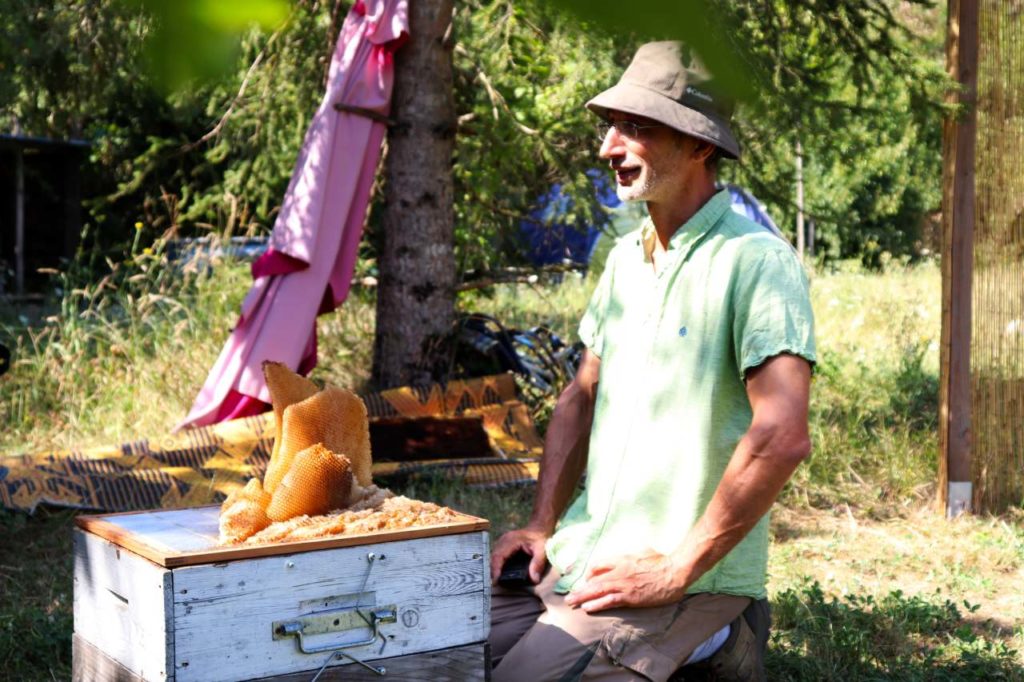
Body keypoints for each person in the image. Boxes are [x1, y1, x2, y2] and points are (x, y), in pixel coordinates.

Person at [488, 41, 816, 682]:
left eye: (636, 128)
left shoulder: (756, 262)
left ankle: (724, 636)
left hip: (684, 580)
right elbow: (582, 394)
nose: (609, 146)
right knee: (428, 650)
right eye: (612, 126)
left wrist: (675, 569)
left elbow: (782, 435)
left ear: (700, 145)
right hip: (583, 556)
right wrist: (541, 523)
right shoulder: (623, 262)